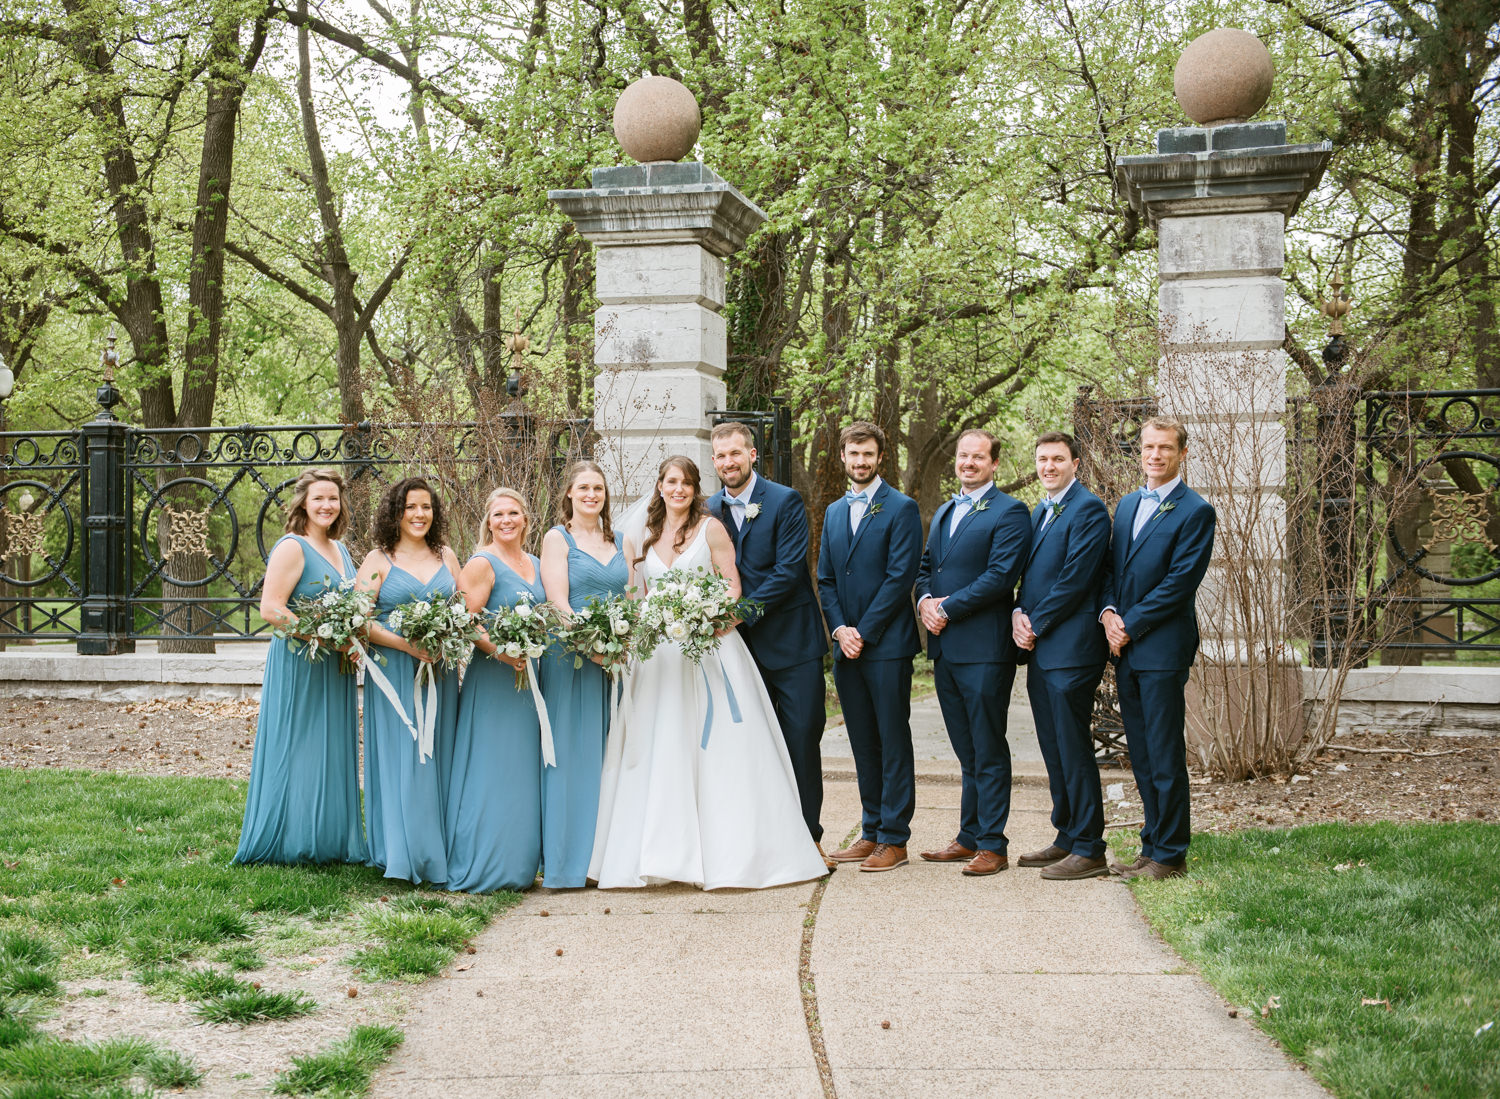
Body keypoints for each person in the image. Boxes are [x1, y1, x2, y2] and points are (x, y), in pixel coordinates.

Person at [589, 456, 826, 890]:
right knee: (661, 745)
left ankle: (732, 852)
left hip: (710, 648)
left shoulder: (710, 528)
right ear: (659, 486)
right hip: (658, 656)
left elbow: (732, 584)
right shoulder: (641, 536)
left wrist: (708, 615)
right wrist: (641, 620)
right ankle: (660, 852)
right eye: (670, 481)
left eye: (686, 483)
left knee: (720, 748)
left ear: (695, 488)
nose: (678, 489)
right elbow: (634, 594)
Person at [708, 423, 834, 871]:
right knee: (747, 745)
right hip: (736, 650)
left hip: (793, 643)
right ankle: (758, 839)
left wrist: (741, 612)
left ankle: (809, 839)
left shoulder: (785, 501)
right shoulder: (708, 510)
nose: (728, 463)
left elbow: (788, 570)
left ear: (753, 454)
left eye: (735, 454)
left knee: (801, 739)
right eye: (720, 456)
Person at [1101, 417, 1216, 881]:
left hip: (1162, 646)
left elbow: (1179, 583)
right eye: (1149, 447)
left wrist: (1130, 624)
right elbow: (1110, 569)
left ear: (1181, 454)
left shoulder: (1195, 511)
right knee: (1142, 752)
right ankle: (1151, 845)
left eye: (1165, 448)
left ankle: (1171, 854)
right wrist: (1108, 613)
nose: (1155, 455)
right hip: (1124, 646)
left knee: (1164, 751)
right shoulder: (1128, 505)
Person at [234, 469, 367, 866]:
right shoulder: (292, 547)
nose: (327, 505)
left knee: (330, 746)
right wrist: (323, 636)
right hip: (300, 661)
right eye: (318, 499)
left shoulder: (340, 550)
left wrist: (351, 634)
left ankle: (327, 840)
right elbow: (271, 608)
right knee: (300, 745)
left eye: (333, 499)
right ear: (303, 504)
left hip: (334, 664)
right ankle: (291, 839)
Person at [914, 429, 1031, 877]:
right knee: (966, 750)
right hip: (945, 649)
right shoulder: (945, 509)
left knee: (988, 745)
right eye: (963, 456)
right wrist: (925, 601)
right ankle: (968, 836)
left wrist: (948, 607)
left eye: (978, 457)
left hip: (984, 648)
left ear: (994, 463)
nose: (969, 463)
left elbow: (1001, 577)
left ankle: (993, 844)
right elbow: (927, 568)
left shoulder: (1010, 512)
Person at [817, 422, 923, 872]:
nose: (860, 461)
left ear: (880, 458)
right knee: (862, 740)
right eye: (853, 454)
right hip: (847, 647)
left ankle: (895, 839)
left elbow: (901, 578)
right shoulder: (835, 512)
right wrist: (840, 629)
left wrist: (864, 631)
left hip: (887, 646)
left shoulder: (902, 508)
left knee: (892, 739)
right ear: (843, 456)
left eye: (868, 454)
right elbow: (824, 578)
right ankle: (871, 829)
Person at [1012, 432, 1113, 880]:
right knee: (1053, 747)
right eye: (1042, 459)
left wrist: (1035, 622)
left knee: (1073, 746)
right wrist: (1017, 610)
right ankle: (1067, 835)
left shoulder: (1088, 509)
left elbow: (1075, 580)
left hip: (1071, 649)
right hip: (1042, 650)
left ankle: (1090, 846)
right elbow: (1029, 578)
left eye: (1057, 459)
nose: (1048, 466)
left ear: (1076, 463)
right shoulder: (1040, 510)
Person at [355, 476, 465, 887]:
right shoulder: (378, 559)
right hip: (396, 672)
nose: (419, 514)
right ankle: (402, 851)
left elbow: (463, 611)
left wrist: (445, 636)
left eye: (426, 507)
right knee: (406, 757)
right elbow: (359, 621)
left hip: (438, 670)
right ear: (395, 513)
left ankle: (440, 847)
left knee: (439, 755)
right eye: (410, 507)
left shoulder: (447, 556)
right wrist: (406, 644)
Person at [445, 488, 545, 893]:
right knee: (492, 766)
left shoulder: (535, 563)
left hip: (529, 680)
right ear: (489, 521)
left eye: (514, 513)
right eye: (499, 514)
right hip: (494, 680)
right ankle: (483, 861)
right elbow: (465, 620)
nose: (507, 520)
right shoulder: (482, 563)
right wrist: (502, 652)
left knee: (522, 768)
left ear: (526, 518)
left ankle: (519, 864)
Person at [538, 461, 628, 889]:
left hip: (615, 663)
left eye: (598, 488)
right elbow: (558, 602)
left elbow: (632, 598)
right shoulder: (558, 539)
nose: (592, 494)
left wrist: (621, 646)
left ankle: (606, 860)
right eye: (584, 488)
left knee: (611, 758)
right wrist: (593, 647)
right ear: (569, 494)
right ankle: (568, 862)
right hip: (571, 658)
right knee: (573, 757)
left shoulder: (621, 540)